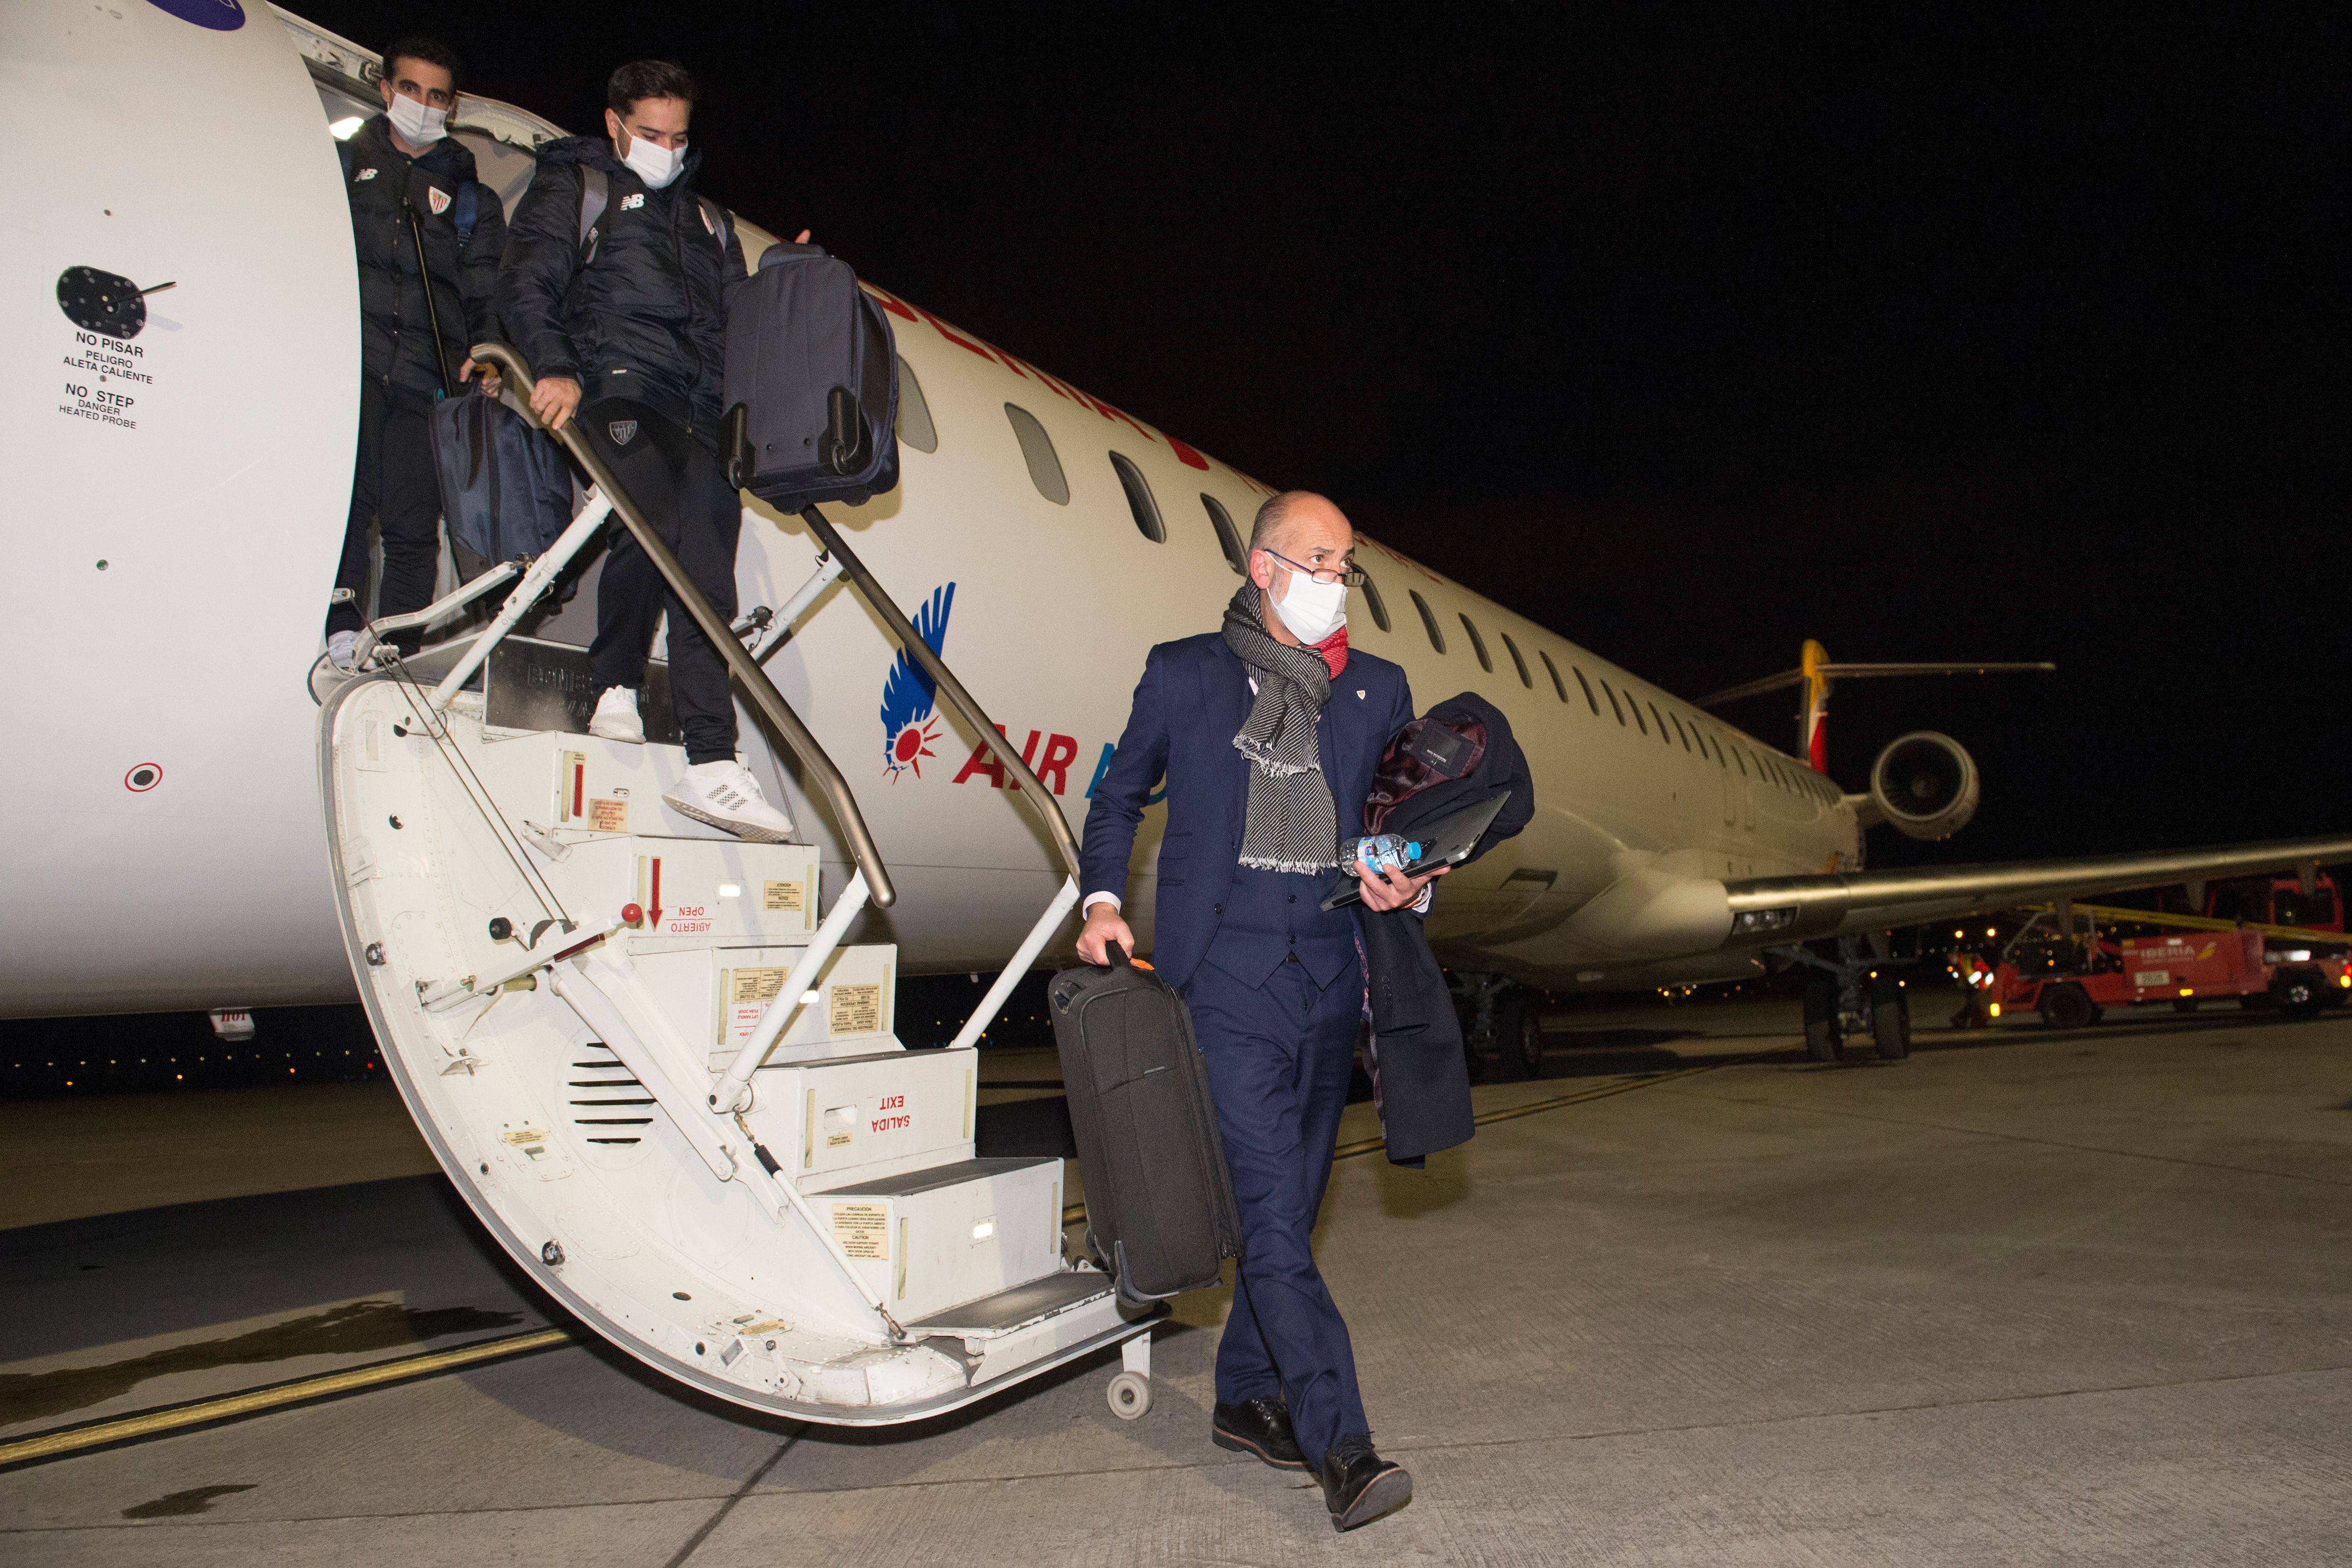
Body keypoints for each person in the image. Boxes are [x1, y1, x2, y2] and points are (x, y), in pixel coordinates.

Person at [1077, 491, 1443, 1532]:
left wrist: (1408, 879)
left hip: (1331, 972)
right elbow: (1116, 797)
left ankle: (1244, 1400)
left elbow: (1394, 827)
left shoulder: (1377, 690)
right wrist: (1103, 899)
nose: (1340, 580)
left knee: (1293, 1200)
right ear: (1264, 567)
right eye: (1321, 559)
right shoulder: (1184, 673)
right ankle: (1344, 1444)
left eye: (1348, 562)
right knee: (1276, 1220)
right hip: (1222, 978)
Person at [495, 60, 792, 841]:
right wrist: (552, 363)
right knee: (652, 520)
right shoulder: (579, 187)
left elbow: (740, 318)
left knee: (708, 574)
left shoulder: (709, 222)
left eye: (678, 136)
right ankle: (626, 687)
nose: (664, 148)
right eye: (650, 134)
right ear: (615, 124)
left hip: (698, 407)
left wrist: (788, 281)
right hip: (617, 386)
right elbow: (528, 280)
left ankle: (705, 759)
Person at [324, 35, 507, 670]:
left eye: (436, 96)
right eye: (410, 90)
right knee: (347, 505)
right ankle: (340, 630)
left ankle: (397, 648)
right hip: (352, 361)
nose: (422, 105)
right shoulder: (342, 166)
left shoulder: (472, 197)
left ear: (451, 107)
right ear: (385, 89)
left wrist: (487, 355)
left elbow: (486, 287)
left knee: (410, 523)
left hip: (428, 376)